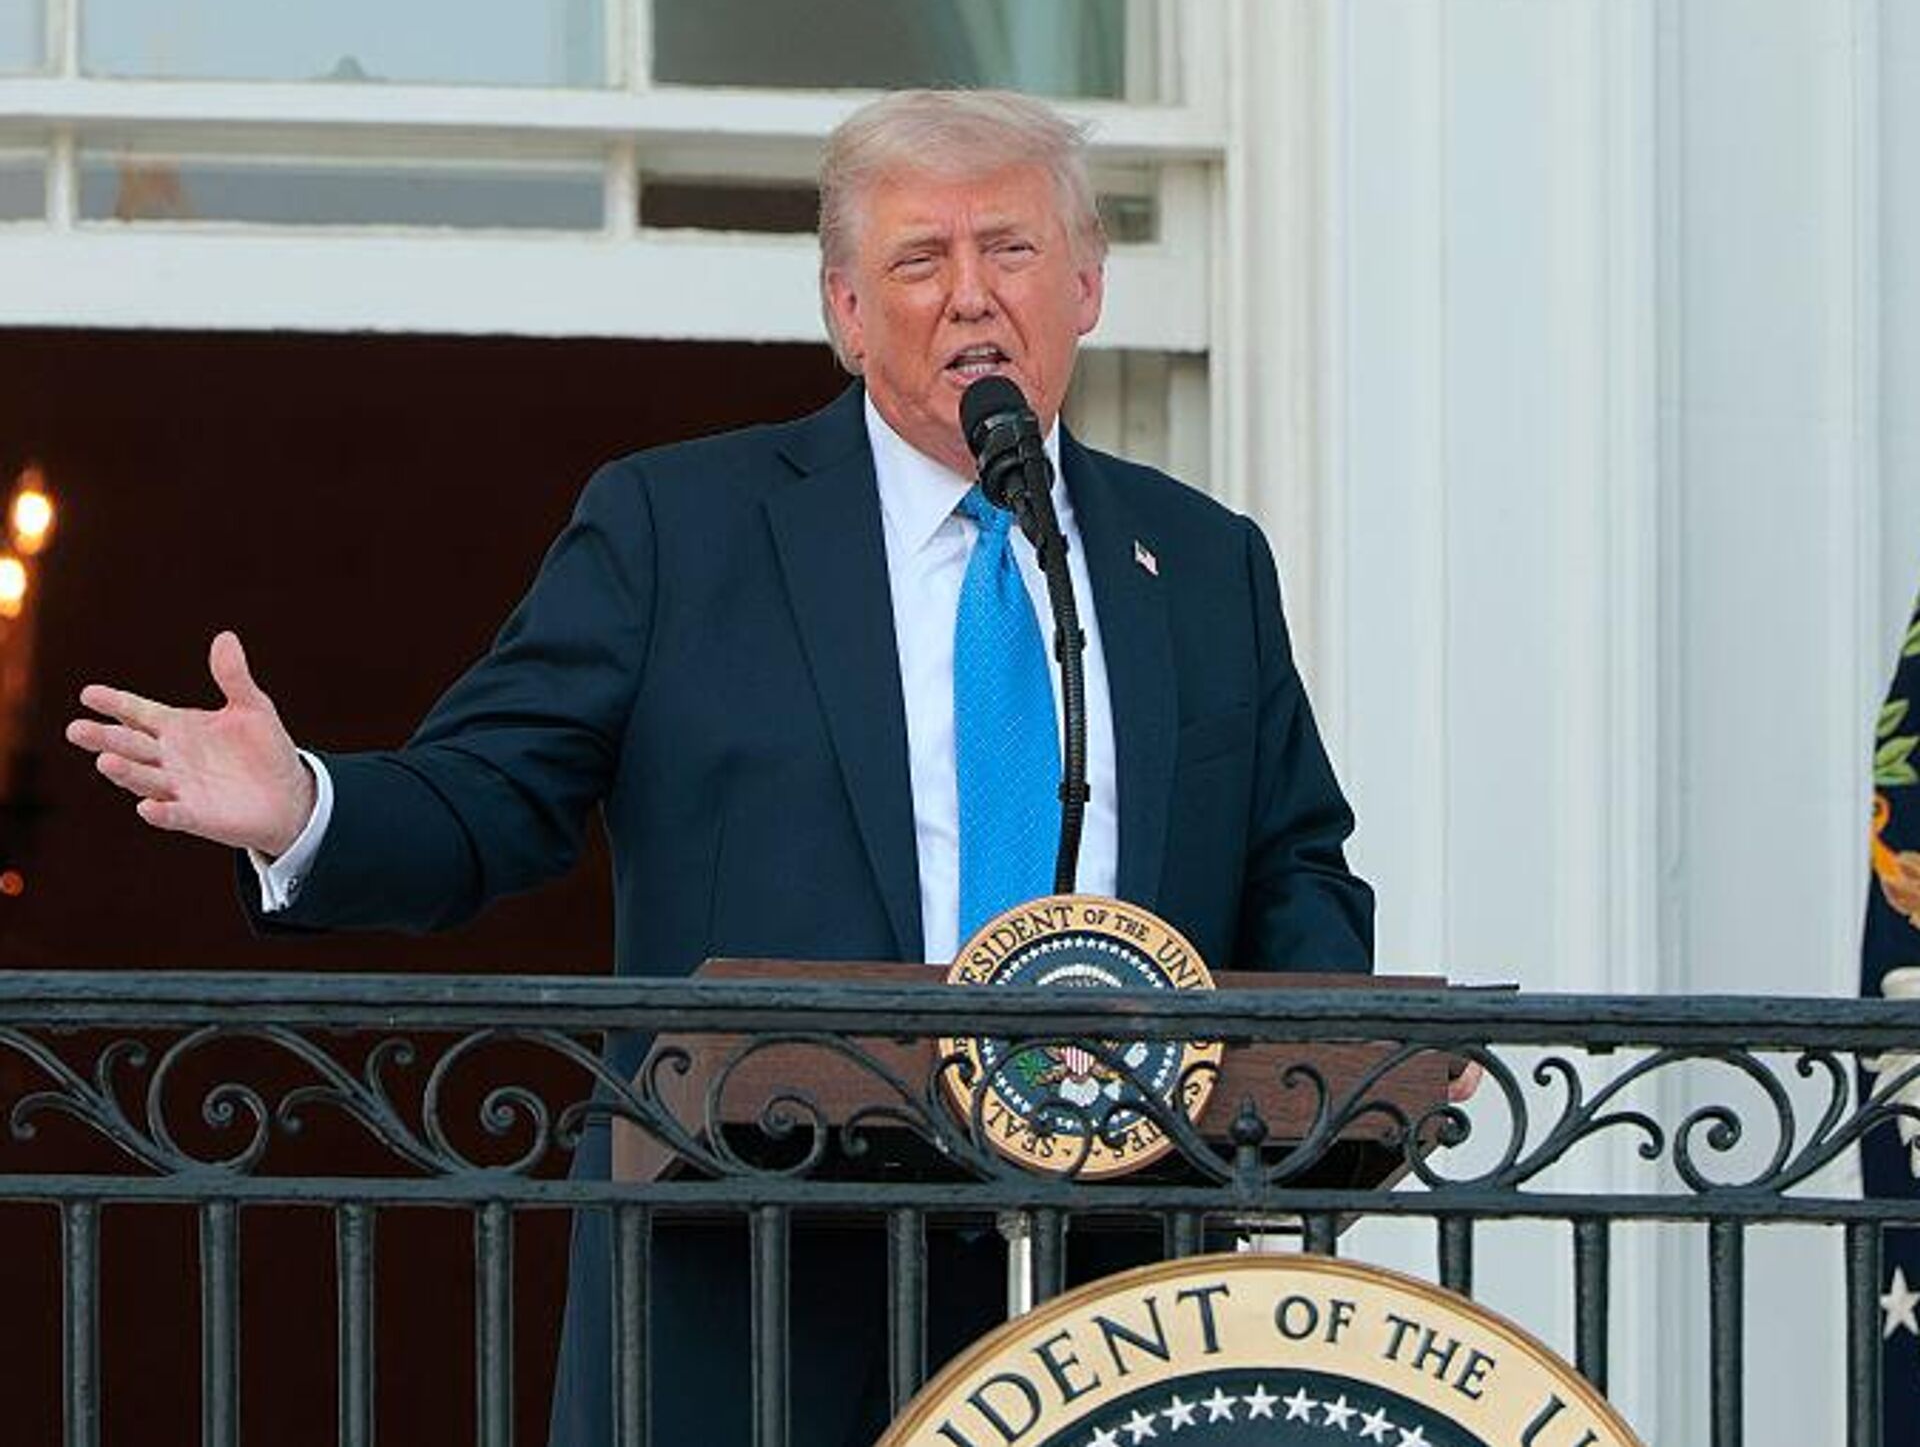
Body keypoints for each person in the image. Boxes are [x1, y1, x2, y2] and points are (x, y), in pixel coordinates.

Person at [68, 87, 1374, 1447]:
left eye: (1012, 249)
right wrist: (306, 807)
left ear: (1089, 285)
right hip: (754, 1289)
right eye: (919, 260)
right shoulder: (678, 528)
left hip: (1115, 1306)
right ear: (847, 312)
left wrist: (1341, 1070)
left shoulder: (1202, 561)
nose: (970, 294)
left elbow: (1293, 865)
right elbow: (494, 797)